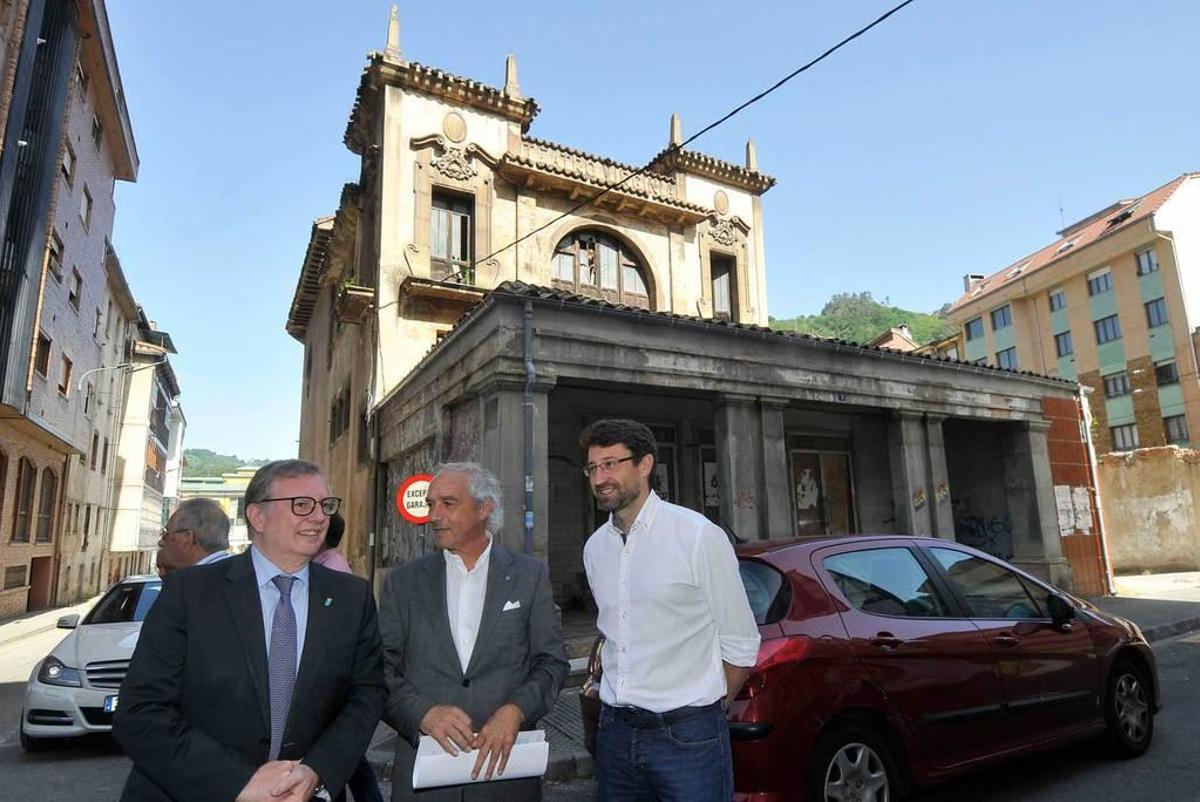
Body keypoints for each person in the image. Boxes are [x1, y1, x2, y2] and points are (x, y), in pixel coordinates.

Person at [113, 459, 386, 802]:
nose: (319, 517)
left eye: (325, 505)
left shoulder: (352, 597)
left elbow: (367, 695)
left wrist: (317, 769)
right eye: (302, 505)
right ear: (257, 516)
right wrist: (238, 783)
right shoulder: (190, 591)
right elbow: (140, 711)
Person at [580, 419, 761, 801]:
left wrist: (706, 709)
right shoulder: (595, 549)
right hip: (614, 734)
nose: (599, 478)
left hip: (687, 736)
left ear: (644, 465)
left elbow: (741, 641)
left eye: (611, 464)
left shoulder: (697, 536)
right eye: (593, 468)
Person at [379, 462, 569, 801]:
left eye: (448, 504)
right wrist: (423, 713)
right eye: (430, 504)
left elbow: (551, 663)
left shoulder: (529, 575)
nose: (434, 515)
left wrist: (515, 710)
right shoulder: (403, 582)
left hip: (505, 774)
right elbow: (379, 669)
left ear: (484, 508)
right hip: (425, 776)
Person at [313, 511, 384, 802]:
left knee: (350, 759)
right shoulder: (325, 563)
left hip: (335, 684)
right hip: (334, 685)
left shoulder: (333, 568)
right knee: (350, 759)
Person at [155, 497, 232, 576]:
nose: (160, 542)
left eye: (165, 534)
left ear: (187, 538)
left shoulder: (192, 584)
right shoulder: (238, 576)